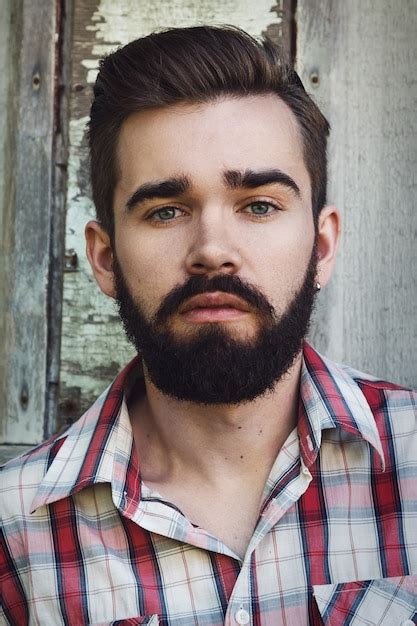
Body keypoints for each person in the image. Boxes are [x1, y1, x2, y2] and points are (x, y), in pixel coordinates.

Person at [1, 26, 416, 626]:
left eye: (259, 205)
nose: (213, 250)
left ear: (321, 247)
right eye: (166, 211)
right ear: (105, 257)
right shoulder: (16, 532)